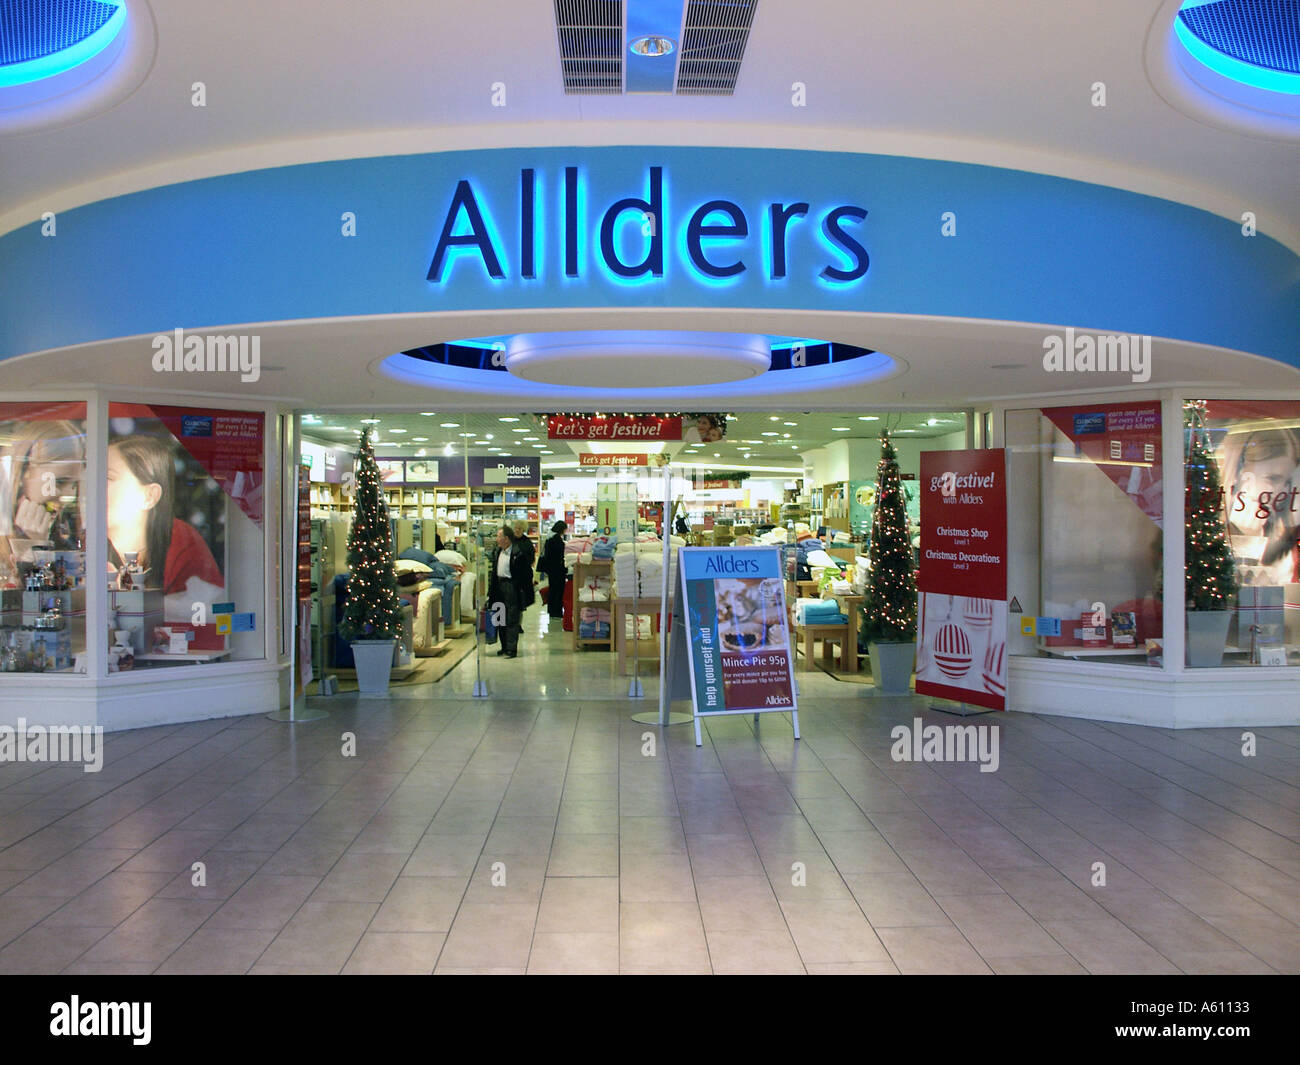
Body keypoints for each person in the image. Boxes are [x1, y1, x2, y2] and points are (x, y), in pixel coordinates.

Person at [106, 434, 224, 621]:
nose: (89, 487)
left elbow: (207, 617)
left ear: (149, 496)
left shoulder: (180, 541)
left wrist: (128, 599)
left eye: (107, 478)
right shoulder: (88, 542)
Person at [0, 420, 86, 584]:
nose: (68, 495)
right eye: (59, 482)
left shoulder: (66, 535)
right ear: (24, 472)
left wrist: (39, 547)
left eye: (74, 485)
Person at [488, 524, 532, 657]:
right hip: (498, 587)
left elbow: (526, 574)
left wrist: (521, 589)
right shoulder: (497, 552)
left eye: (499, 536)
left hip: (512, 587)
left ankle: (512, 648)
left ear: (506, 539)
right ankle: (504, 646)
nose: (497, 539)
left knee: (512, 618)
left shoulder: (518, 553)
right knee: (500, 617)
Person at [538, 520, 569, 619]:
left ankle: (552, 611)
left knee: (553, 589)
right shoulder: (555, 539)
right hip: (557, 569)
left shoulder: (550, 537)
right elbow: (559, 553)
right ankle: (557, 612)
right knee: (558, 590)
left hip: (551, 569)